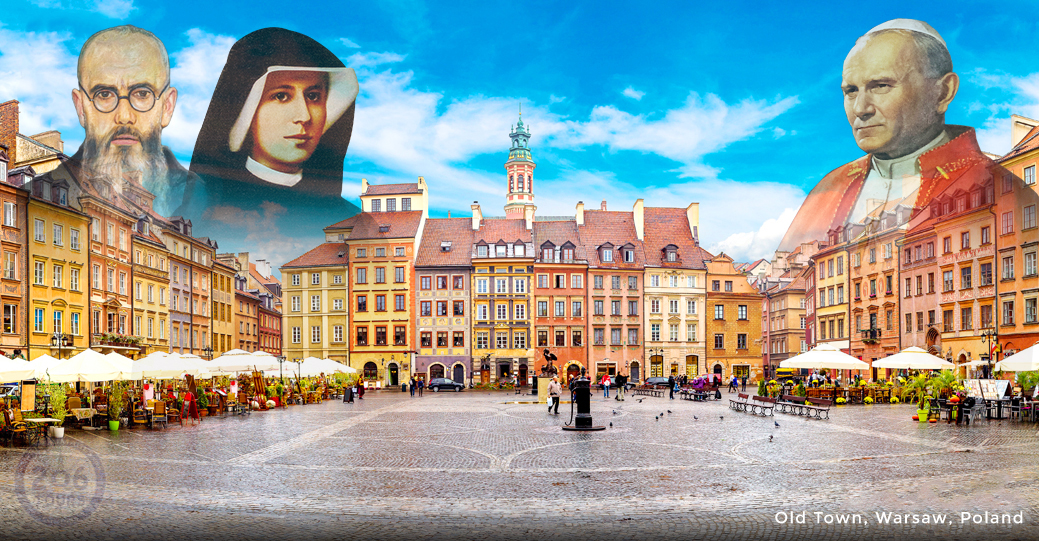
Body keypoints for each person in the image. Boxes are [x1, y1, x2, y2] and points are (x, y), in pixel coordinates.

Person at [188, 28, 359, 228]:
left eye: (313, 96)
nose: (304, 116)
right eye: (281, 96)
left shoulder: (350, 220)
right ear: (246, 109)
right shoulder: (198, 212)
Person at [38, 25, 203, 217]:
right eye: (104, 94)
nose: (124, 116)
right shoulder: (48, 186)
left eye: (142, 94)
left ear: (167, 106)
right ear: (81, 108)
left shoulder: (205, 197)